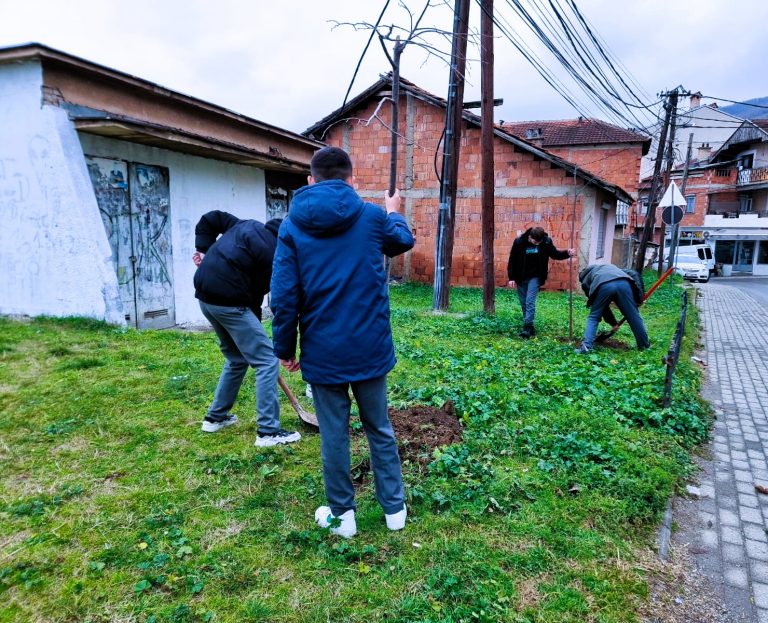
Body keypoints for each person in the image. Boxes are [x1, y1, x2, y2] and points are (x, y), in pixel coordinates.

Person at [270, 146, 414, 538]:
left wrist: (285, 348)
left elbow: (283, 296)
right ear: (352, 179)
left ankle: (343, 518)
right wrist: (393, 208)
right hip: (370, 346)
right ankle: (394, 512)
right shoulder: (371, 216)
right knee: (378, 427)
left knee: (334, 433)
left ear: (310, 181)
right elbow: (402, 240)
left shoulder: (291, 225)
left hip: (323, 350)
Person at [193, 211, 300, 448]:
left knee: (236, 358)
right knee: (266, 361)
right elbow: (272, 300)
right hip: (229, 302)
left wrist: (204, 250)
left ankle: (215, 417)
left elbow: (211, 218)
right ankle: (268, 432)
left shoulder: (245, 225)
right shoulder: (276, 256)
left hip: (206, 299)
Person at [506, 226, 575, 338]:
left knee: (529, 301)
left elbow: (555, 254)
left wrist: (567, 253)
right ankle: (530, 327)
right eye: (535, 241)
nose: (537, 243)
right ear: (530, 237)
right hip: (520, 277)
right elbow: (512, 259)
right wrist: (511, 277)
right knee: (523, 303)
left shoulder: (546, 242)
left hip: (536, 276)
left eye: (539, 241)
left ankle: (527, 327)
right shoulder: (519, 242)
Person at [576, 263, 650, 354]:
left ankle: (586, 347)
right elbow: (633, 273)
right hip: (624, 283)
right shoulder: (606, 266)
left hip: (604, 286)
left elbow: (602, 308)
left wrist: (613, 323)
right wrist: (639, 298)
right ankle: (644, 346)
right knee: (633, 315)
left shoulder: (585, 282)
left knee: (594, 317)